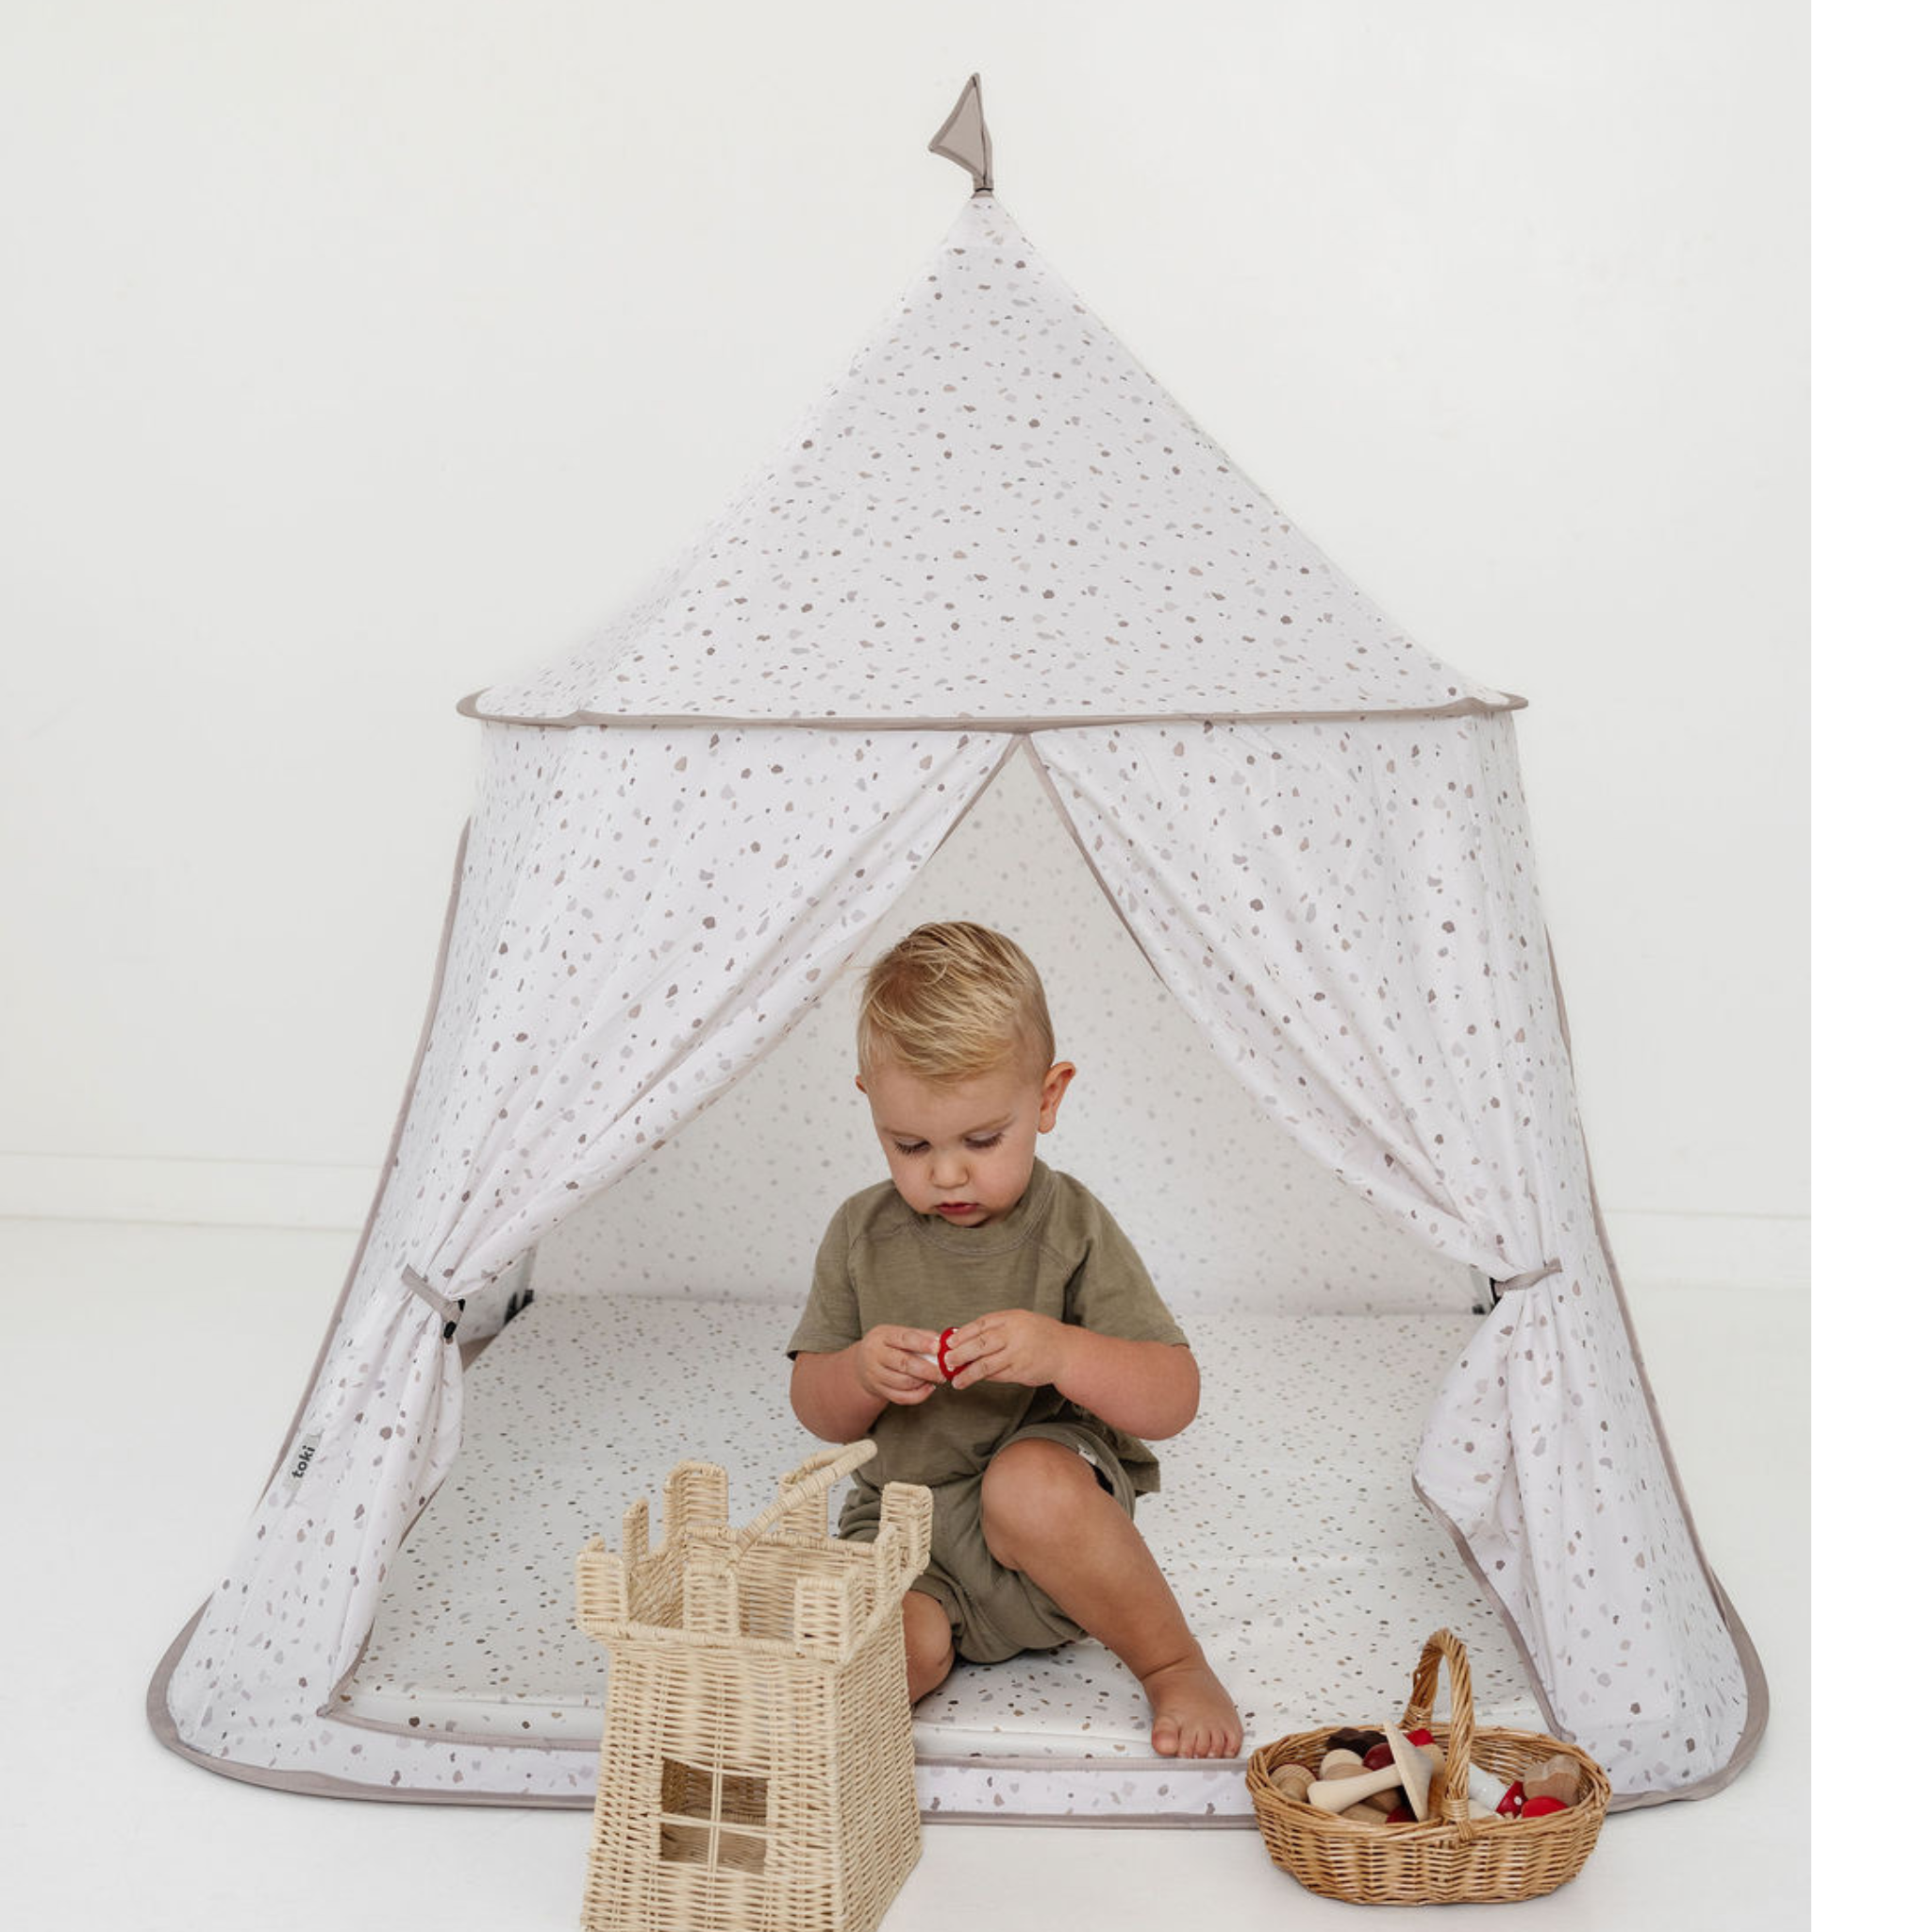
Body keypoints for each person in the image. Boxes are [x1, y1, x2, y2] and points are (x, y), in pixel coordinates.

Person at [788, 921, 1243, 1759]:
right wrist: (859, 1372)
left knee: (1025, 1483)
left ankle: (1174, 1662)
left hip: (1048, 1547)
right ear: (870, 1104)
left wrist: (1062, 1351)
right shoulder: (859, 1233)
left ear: (1047, 1097)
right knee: (875, 1655)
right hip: (907, 1532)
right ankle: (801, 1744)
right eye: (910, 1144)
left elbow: (1175, 1396)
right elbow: (819, 1413)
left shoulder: (1067, 1224)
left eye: (981, 1140)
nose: (947, 1173)